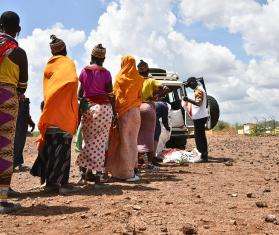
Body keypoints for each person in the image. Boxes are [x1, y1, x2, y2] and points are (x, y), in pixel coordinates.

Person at [30, 35, 79, 194]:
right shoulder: (68, 63)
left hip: (50, 110)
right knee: (63, 149)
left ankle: (50, 182)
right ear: (65, 50)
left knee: (50, 147)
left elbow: (48, 89)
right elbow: (72, 81)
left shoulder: (48, 66)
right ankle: (61, 184)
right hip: (64, 112)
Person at [0, 11, 28, 213]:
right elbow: (22, 85)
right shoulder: (18, 53)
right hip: (6, 98)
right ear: (17, 29)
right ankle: (2, 198)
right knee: (4, 147)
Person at [76, 44, 115, 184]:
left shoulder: (84, 71)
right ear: (103, 58)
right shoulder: (106, 73)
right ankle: (98, 175)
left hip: (88, 108)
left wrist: (81, 110)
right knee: (99, 143)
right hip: (104, 109)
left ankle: (84, 172)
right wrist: (115, 112)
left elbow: (80, 95)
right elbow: (110, 95)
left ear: (91, 57)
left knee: (89, 141)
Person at [106, 55, 144, 181]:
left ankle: (125, 173)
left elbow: (115, 96)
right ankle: (132, 170)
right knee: (133, 141)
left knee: (124, 142)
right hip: (136, 113)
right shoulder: (139, 79)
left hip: (123, 113)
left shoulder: (119, 78)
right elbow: (140, 96)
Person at [137, 60, 160, 169]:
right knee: (149, 135)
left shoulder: (135, 80)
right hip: (148, 108)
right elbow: (164, 88)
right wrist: (156, 96)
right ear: (148, 70)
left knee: (137, 136)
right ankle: (150, 163)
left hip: (136, 108)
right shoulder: (151, 80)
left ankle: (138, 162)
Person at [182, 77, 208, 162]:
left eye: (190, 85)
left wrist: (188, 100)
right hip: (200, 116)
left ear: (194, 82)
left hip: (200, 117)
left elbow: (199, 103)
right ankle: (204, 155)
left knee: (199, 137)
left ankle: (202, 155)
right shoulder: (199, 89)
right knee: (201, 136)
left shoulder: (198, 91)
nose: (190, 87)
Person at [13, 95, 35, 171]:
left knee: (20, 145)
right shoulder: (13, 100)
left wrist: (31, 123)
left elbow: (27, 114)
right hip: (14, 127)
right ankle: (11, 165)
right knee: (14, 145)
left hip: (22, 127)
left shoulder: (26, 102)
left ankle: (19, 163)